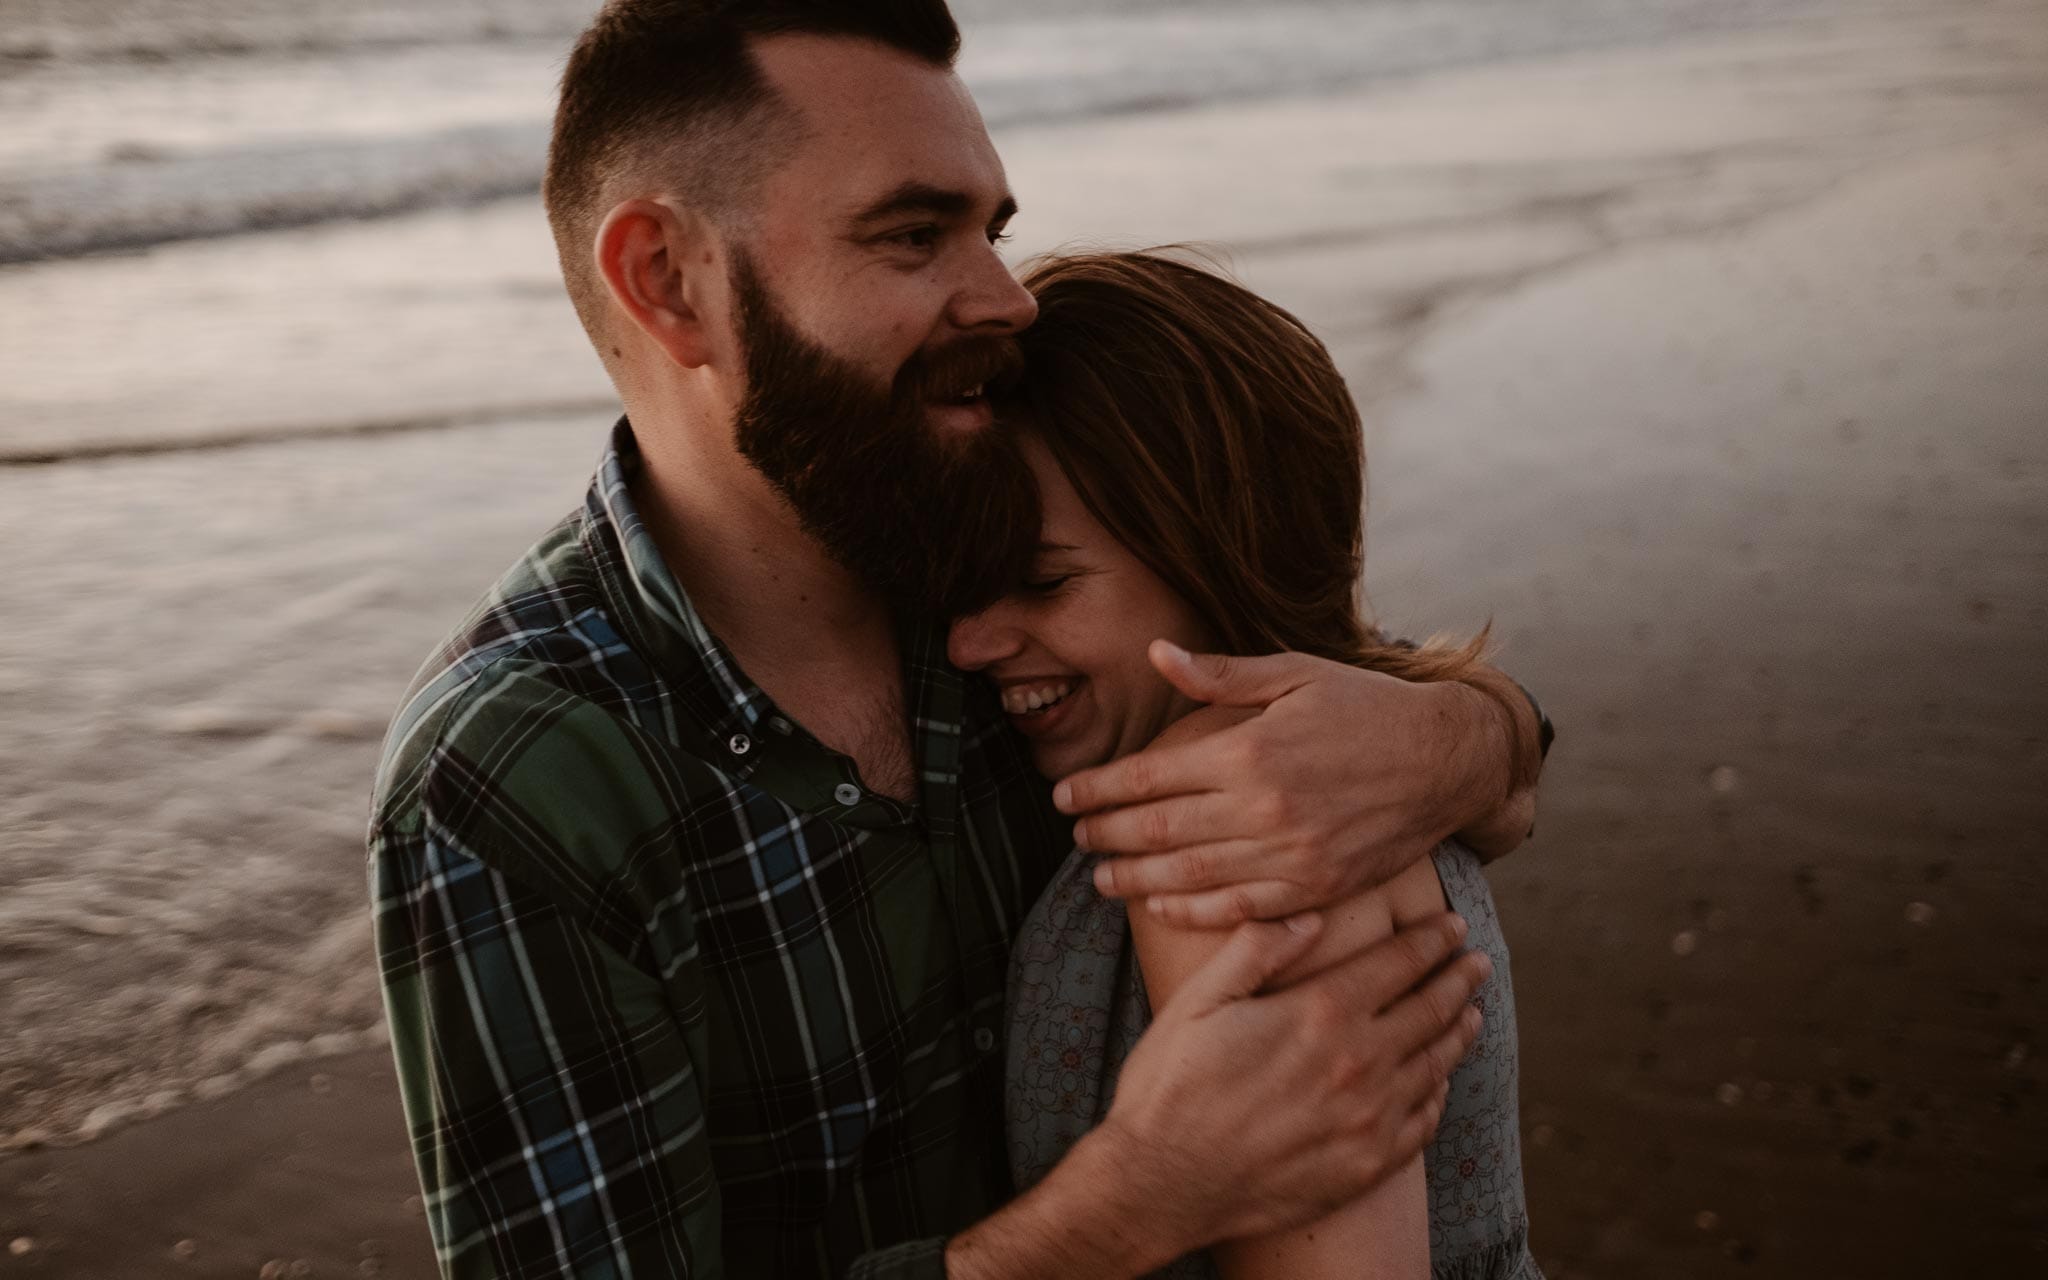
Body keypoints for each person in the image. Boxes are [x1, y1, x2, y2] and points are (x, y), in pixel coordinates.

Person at [367, 2, 1549, 1276]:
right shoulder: (512, 784)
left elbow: (1310, 682)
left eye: (992, 232)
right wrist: (1129, 1202)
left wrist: (1465, 736)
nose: (1003, 299)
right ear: (668, 280)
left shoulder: (981, 543)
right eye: (913, 235)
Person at [949, 250, 1544, 1279]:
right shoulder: (1348, 739)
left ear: (1215, 554)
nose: (969, 640)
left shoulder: (1244, 830)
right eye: (960, 581)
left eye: (1040, 583)